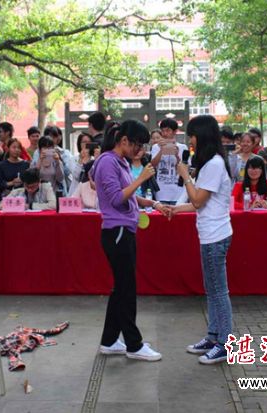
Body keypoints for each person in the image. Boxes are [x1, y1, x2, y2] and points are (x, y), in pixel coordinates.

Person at [90, 119, 168, 362]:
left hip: (125, 230)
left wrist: (153, 203)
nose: (140, 150)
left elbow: (130, 196)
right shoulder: (107, 162)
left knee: (121, 288)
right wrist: (141, 179)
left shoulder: (120, 161)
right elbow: (116, 199)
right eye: (137, 145)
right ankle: (134, 344)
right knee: (126, 290)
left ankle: (109, 340)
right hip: (117, 232)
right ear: (124, 140)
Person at [171, 115, 233, 365]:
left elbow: (197, 200)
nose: (190, 141)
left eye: (193, 135)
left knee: (219, 291)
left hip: (215, 236)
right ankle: (213, 336)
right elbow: (200, 203)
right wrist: (174, 209)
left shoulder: (214, 164)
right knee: (212, 289)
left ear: (203, 136)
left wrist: (185, 175)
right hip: (209, 234)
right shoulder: (210, 164)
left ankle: (225, 344)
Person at [150, 118, 188, 204]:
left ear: (175, 131)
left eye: (167, 130)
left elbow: (185, 170)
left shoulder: (183, 147)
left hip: (178, 193)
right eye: (162, 131)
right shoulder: (156, 147)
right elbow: (152, 165)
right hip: (161, 193)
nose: (164, 134)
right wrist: (161, 150)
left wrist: (177, 155)